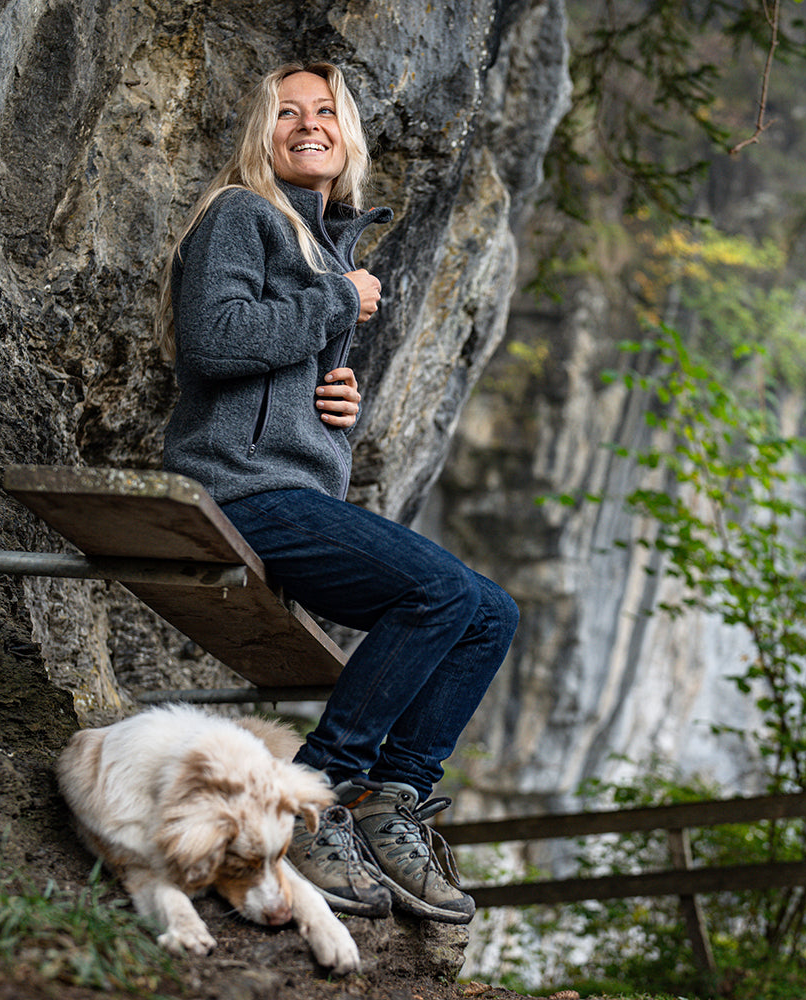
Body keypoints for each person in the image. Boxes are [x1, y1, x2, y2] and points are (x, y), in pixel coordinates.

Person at [156, 61, 518, 925]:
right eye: (286, 112)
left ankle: (393, 802)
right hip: (240, 492)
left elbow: (279, 395)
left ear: (347, 134)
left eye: (325, 111)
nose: (307, 124)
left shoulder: (327, 246)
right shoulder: (241, 215)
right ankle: (318, 797)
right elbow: (215, 340)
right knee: (438, 592)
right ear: (261, 134)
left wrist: (338, 416)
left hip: (291, 489)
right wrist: (335, 302)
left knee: (492, 611)